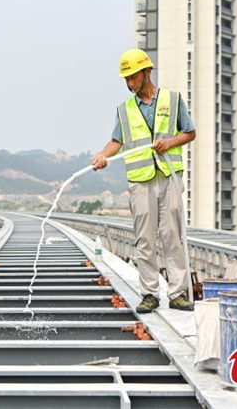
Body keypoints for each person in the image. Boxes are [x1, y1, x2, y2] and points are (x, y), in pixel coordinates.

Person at [92, 49, 197, 313]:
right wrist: (103, 156)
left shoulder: (173, 100)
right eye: (126, 79)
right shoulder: (124, 110)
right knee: (145, 238)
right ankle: (150, 293)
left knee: (172, 235)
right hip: (141, 181)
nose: (130, 83)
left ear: (147, 72)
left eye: (133, 77)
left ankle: (177, 293)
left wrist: (169, 143)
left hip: (169, 176)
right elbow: (116, 141)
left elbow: (190, 132)